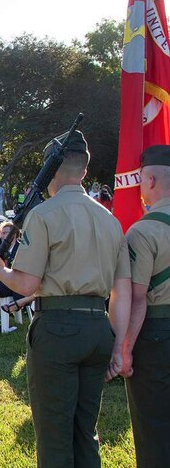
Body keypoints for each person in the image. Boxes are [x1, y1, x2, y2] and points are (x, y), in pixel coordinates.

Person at [0, 130, 130, 468]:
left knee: (54, 435)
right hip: (98, 330)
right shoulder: (111, 220)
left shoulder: (44, 215)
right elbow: (120, 291)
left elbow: (27, 283)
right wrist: (118, 345)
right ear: (84, 170)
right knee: (85, 432)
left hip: (58, 329)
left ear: (52, 170)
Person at [122, 145, 170, 465]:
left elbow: (137, 299)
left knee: (153, 425)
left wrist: (123, 349)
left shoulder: (144, 230)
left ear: (149, 179)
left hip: (156, 334)